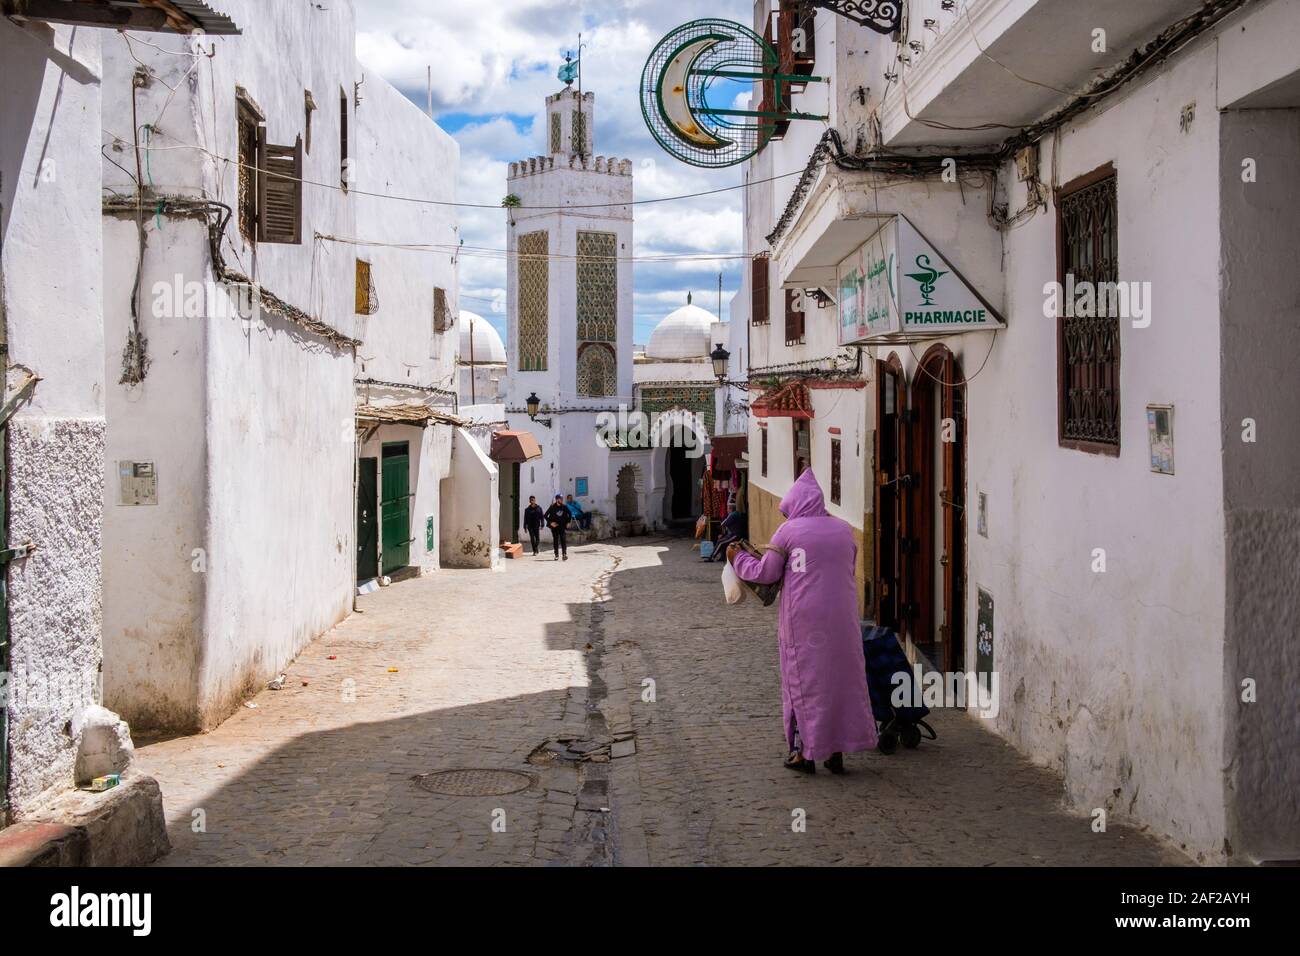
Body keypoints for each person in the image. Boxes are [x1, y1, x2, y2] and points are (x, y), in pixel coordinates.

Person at [728, 469, 877, 774]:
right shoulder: (843, 529)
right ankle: (836, 751)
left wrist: (737, 558)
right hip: (844, 618)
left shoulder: (788, 531)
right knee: (840, 681)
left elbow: (766, 574)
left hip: (804, 621)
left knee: (803, 681)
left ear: (795, 504)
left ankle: (804, 753)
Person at [544, 494, 571, 561]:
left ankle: (564, 554)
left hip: (562, 526)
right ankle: (556, 555)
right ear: (557, 499)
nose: (561, 500)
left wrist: (568, 522)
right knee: (555, 540)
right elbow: (545, 515)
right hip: (554, 527)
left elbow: (570, 514)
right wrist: (551, 523)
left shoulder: (564, 506)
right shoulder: (552, 506)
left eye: (562, 498)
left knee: (563, 540)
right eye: (560, 498)